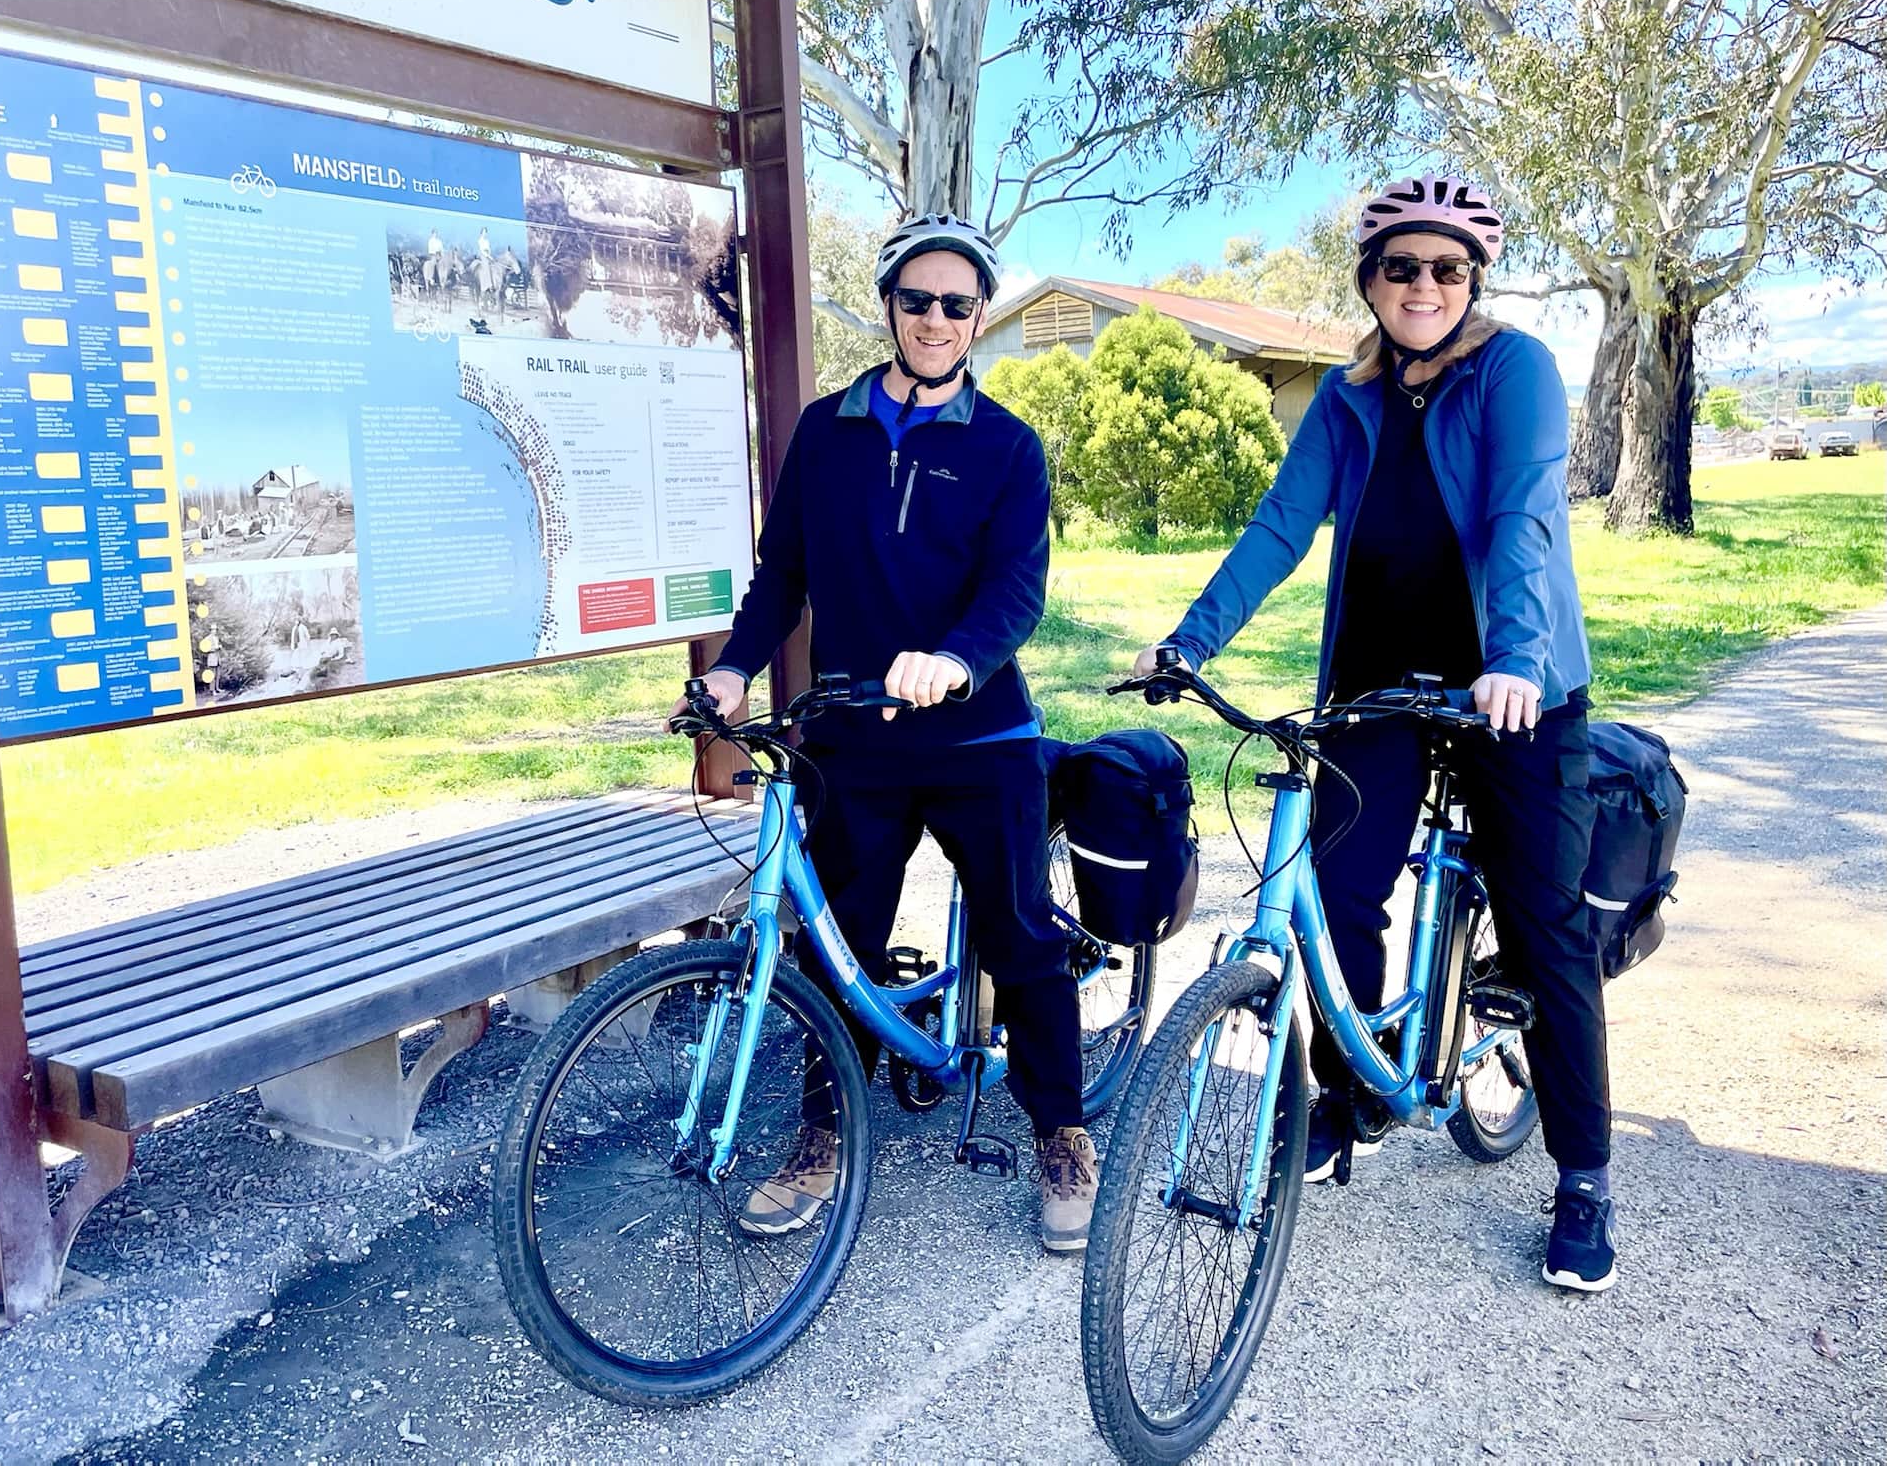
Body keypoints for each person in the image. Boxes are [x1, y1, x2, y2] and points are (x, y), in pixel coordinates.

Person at [1134, 174, 1617, 1292]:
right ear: (1369, 280)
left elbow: (1521, 516)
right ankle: (1343, 1093)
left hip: (1516, 681)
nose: (1422, 285)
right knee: (1337, 891)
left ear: (1472, 281)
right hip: (1377, 681)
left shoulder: (1514, 370)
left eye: (1446, 267)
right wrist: (1188, 641)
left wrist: (1511, 658)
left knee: (1547, 932)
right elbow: (1277, 525)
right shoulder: (1345, 399)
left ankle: (1583, 1174)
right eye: (1401, 265)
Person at [675, 213, 1097, 1252]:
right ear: (889, 307)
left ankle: (1060, 1130)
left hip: (980, 738)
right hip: (851, 738)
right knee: (837, 942)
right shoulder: (827, 430)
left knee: (1021, 937)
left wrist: (954, 659)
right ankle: (823, 1133)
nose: (937, 319)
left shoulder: (1005, 445)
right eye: (918, 300)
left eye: (958, 304)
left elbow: (1015, 587)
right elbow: (784, 572)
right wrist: (731, 667)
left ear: (978, 316)